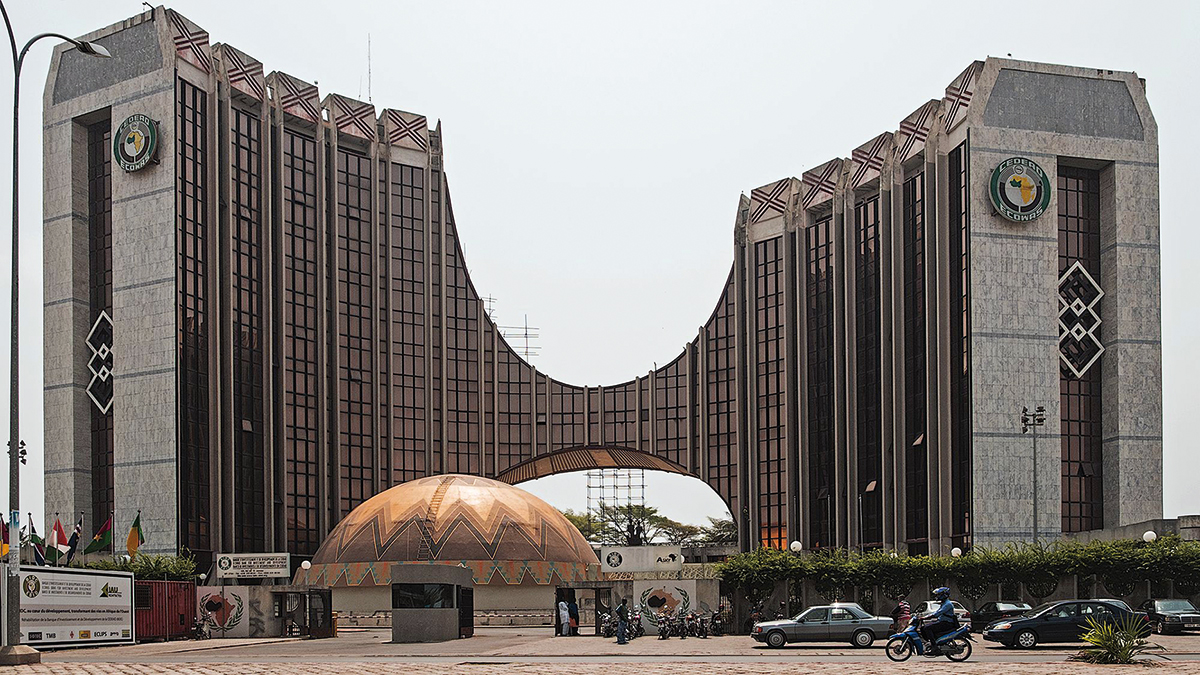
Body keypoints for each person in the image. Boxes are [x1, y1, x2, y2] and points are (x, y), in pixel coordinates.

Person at [918, 587, 959, 654]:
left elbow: (937, 614)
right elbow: (936, 612)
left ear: (944, 595)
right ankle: (932, 642)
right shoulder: (944, 603)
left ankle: (935, 647)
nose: (937, 596)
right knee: (924, 627)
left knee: (927, 628)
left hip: (946, 623)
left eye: (939, 595)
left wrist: (925, 618)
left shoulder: (947, 604)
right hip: (942, 621)